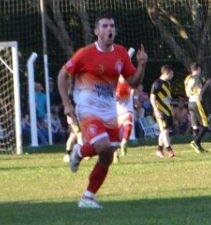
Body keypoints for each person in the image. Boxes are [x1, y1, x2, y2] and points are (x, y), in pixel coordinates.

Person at [57, 14, 148, 208]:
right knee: (103, 146)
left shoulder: (121, 54)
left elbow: (133, 82)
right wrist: (67, 104)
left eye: (112, 26)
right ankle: (79, 151)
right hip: (87, 109)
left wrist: (142, 65)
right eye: (105, 26)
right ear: (96, 31)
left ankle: (88, 197)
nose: (109, 29)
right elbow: (62, 75)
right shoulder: (85, 53)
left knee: (107, 155)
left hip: (109, 110)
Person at [185, 62, 211, 153]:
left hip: (190, 102)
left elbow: (187, 93)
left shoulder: (187, 79)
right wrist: (206, 84)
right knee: (206, 124)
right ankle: (196, 142)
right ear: (199, 69)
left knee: (195, 126)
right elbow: (200, 91)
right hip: (197, 102)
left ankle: (198, 148)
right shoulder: (197, 78)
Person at [151, 65, 176, 159]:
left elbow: (167, 98)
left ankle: (159, 149)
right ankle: (169, 150)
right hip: (161, 111)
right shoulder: (157, 83)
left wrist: (171, 108)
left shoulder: (167, 83)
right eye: (172, 73)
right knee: (165, 130)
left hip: (168, 111)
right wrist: (156, 110)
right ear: (166, 73)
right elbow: (152, 97)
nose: (173, 75)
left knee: (164, 131)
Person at [115, 77, 136, 158]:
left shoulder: (130, 83)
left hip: (127, 109)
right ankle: (115, 154)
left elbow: (133, 91)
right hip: (117, 111)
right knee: (116, 136)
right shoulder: (115, 84)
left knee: (129, 125)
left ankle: (124, 142)